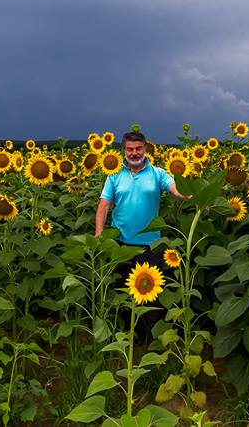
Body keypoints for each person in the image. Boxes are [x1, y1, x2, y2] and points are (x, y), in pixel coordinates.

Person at [95, 131, 188, 342]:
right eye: (130, 149)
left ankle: (152, 342)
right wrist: (99, 235)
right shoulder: (115, 175)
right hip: (120, 244)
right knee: (124, 295)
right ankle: (132, 341)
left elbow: (175, 189)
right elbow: (103, 206)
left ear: (145, 149)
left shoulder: (157, 173)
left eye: (138, 149)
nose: (134, 153)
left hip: (150, 245)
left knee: (151, 296)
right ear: (124, 150)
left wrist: (191, 195)